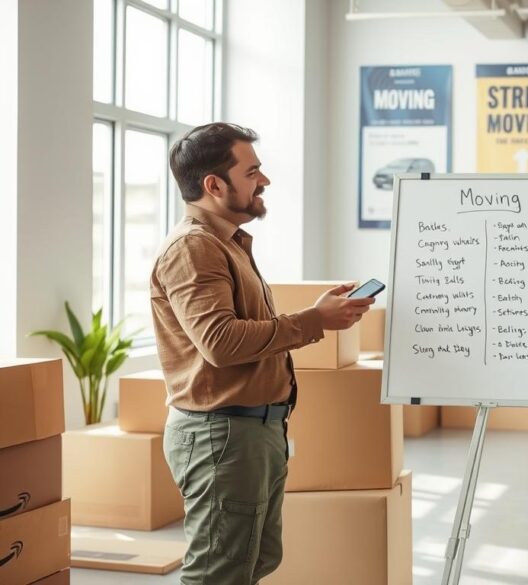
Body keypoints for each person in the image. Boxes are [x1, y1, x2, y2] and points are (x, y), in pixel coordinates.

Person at [150, 122, 374, 584]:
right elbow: (221, 342)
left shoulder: (225, 243)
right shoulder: (194, 248)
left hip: (252, 431)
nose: (264, 181)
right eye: (252, 171)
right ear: (214, 185)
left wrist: (318, 314)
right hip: (223, 435)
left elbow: (239, 328)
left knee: (256, 560)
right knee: (220, 572)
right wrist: (316, 321)